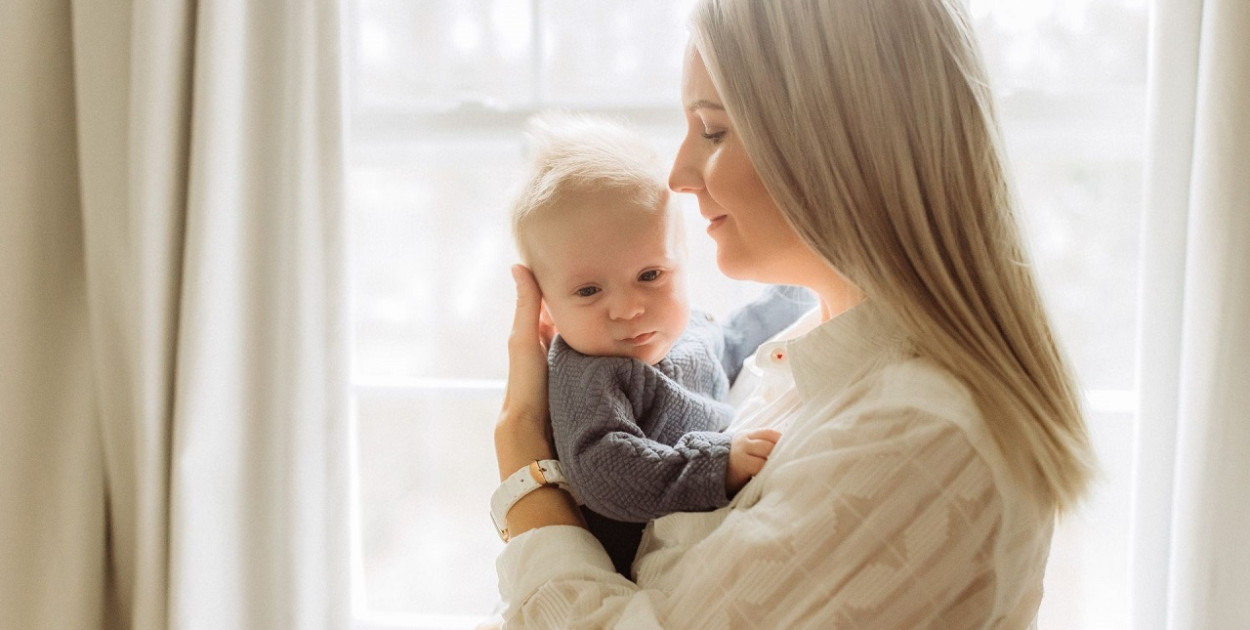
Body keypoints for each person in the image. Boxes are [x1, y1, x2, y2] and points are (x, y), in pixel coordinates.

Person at [492, 0, 1096, 627]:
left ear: (838, 144)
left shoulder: (918, 434)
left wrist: (523, 464)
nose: (678, 175)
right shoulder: (795, 358)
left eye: (714, 131)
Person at [505, 113, 816, 577]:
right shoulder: (589, 373)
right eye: (589, 291)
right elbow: (605, 469)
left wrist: (800, 285)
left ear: (682, 263)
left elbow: (731, 346)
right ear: (547, 310)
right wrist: (715, 465)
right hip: (618, 580)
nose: (629, 308)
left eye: (650, 275)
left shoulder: (688, 330)